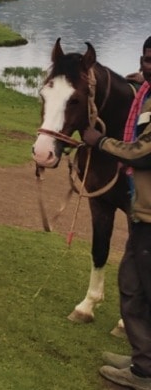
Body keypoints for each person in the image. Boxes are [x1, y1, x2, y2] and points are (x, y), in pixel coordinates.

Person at [82, 36, 151, 389]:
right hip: (144, 212)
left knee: (143, 286)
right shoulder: (146, 91)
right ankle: (142, 359)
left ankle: (144, 373)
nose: (145, 66)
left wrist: (101, 142)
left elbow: (145, 152)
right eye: (145, 59)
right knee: (133, 283)